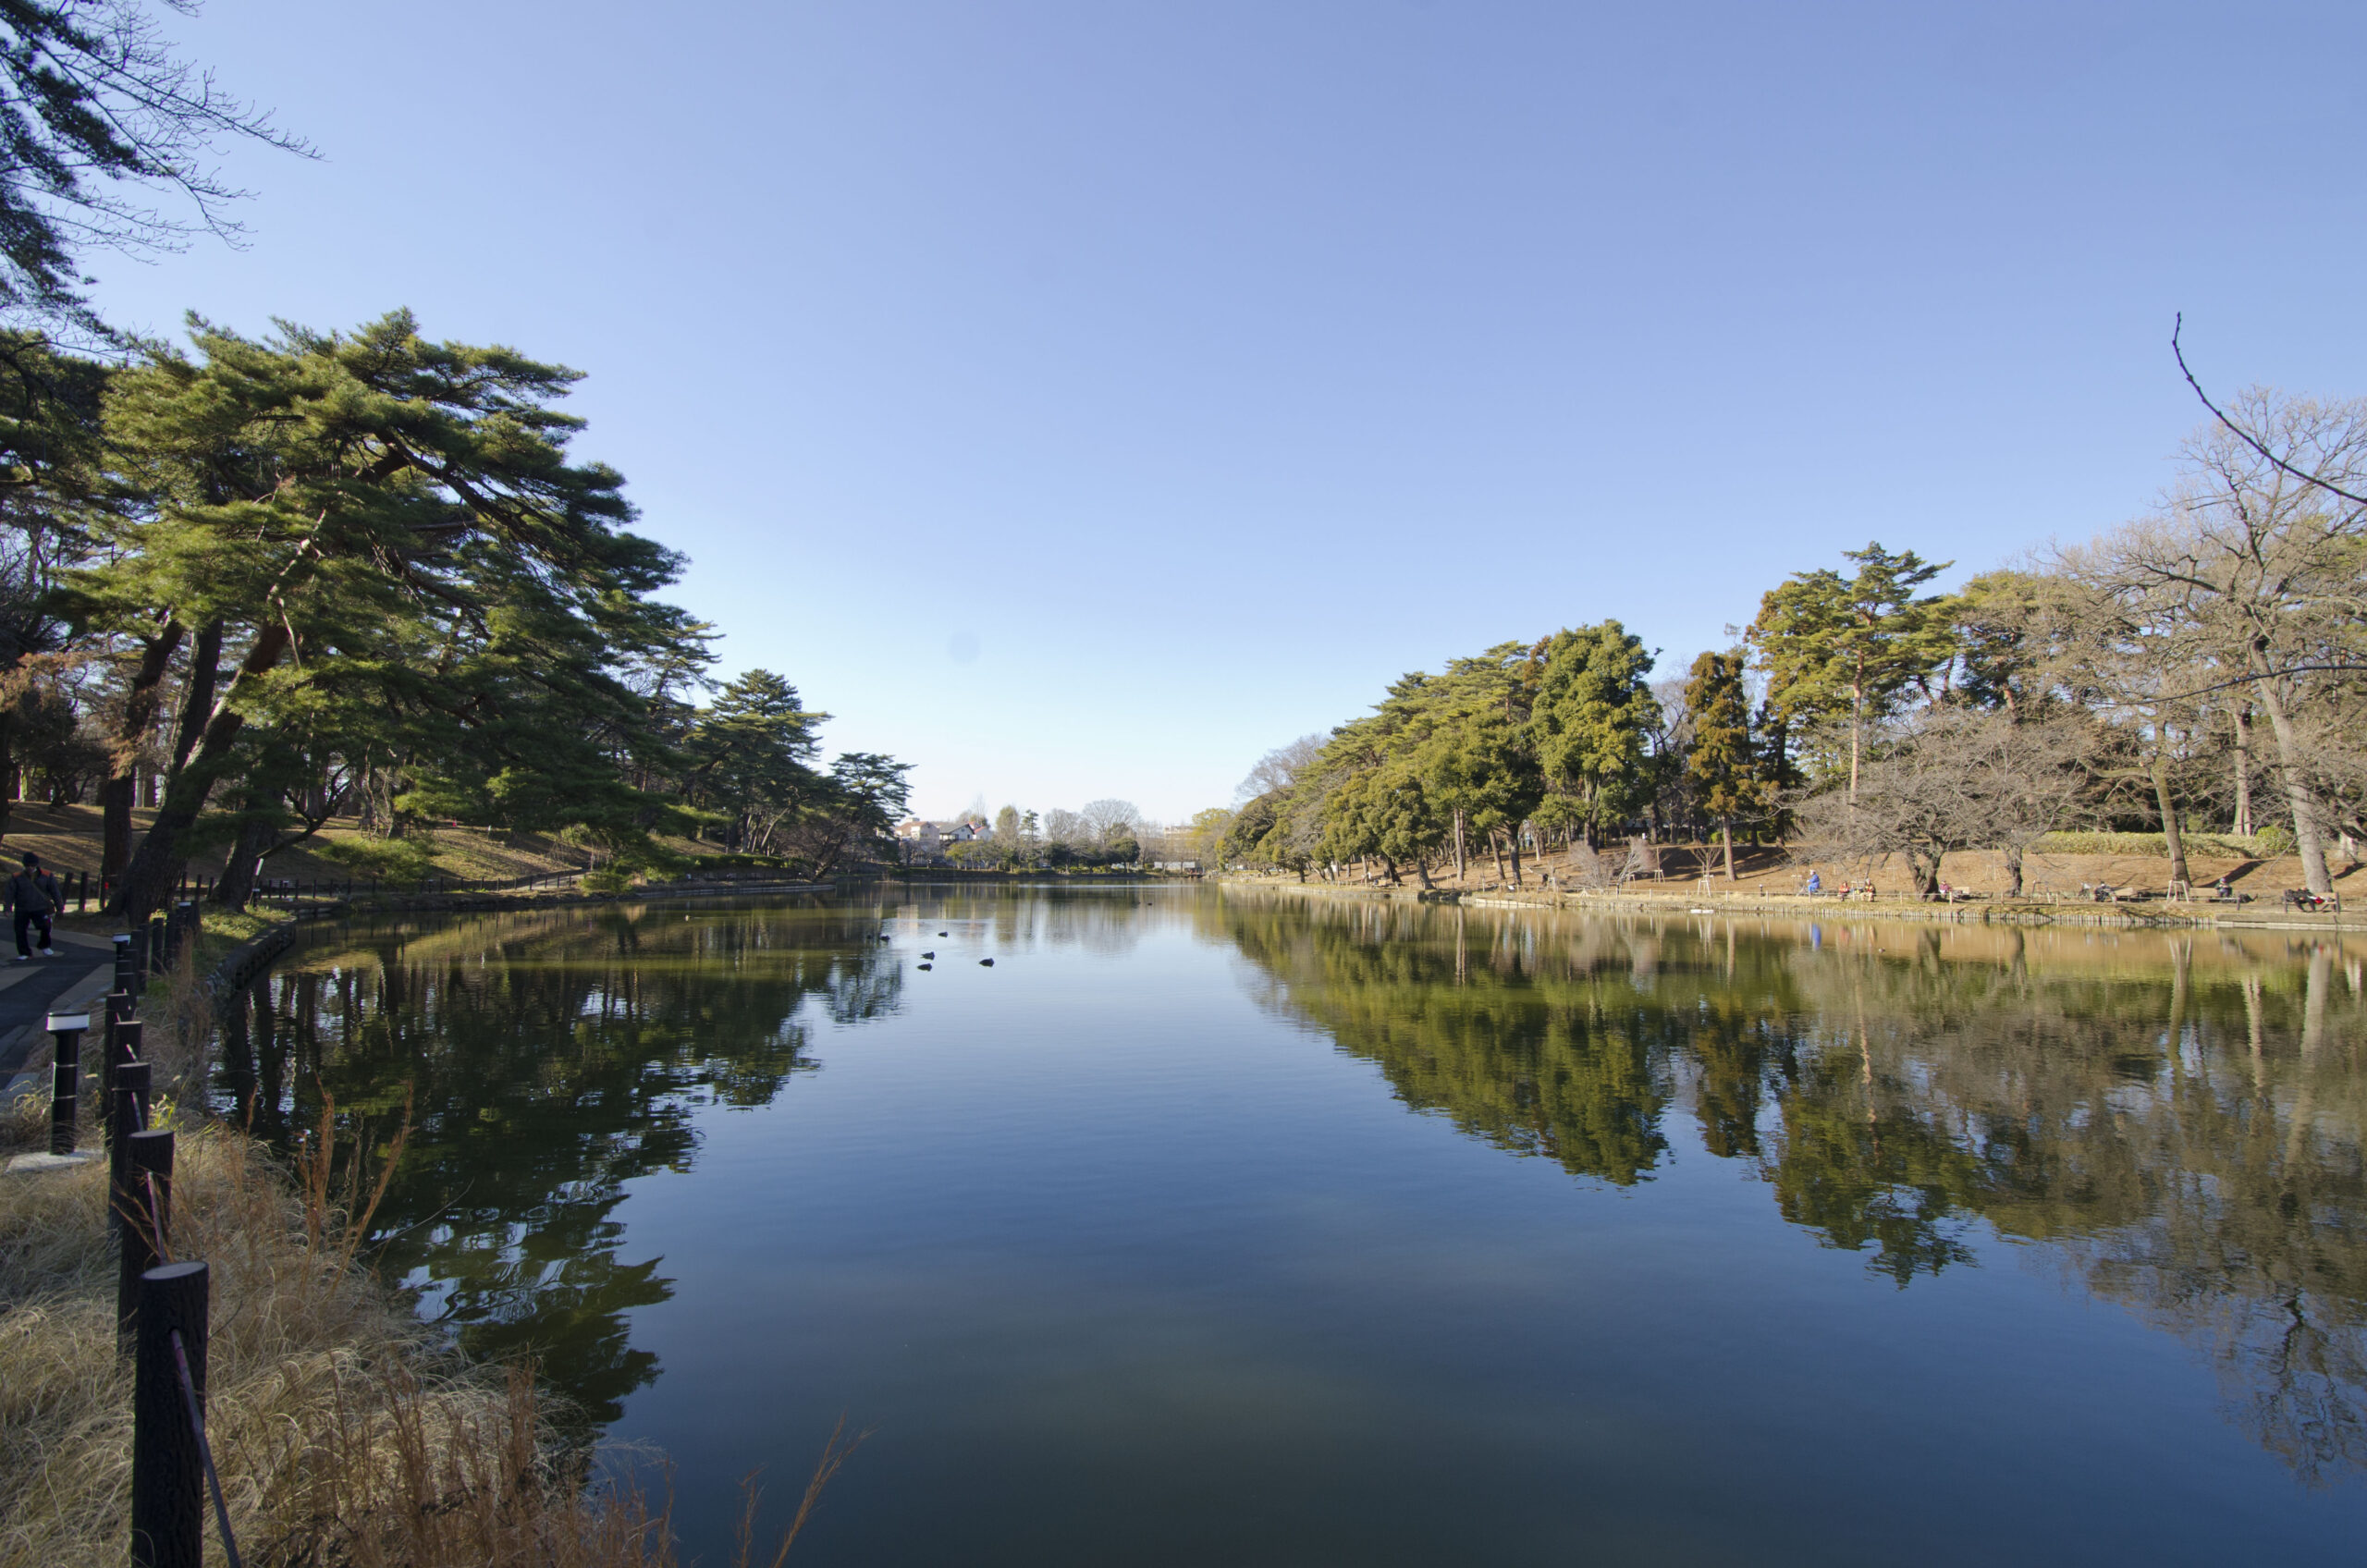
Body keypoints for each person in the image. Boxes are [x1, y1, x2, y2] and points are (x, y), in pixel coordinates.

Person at [6, 851, 59, 961]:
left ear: (37, 865)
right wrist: (8, 908)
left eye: (32, 865)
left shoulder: (47, 875)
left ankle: (44, 945)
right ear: (24, 865)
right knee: (20, 931)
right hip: (22, 907)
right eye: (27, 865)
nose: (30, 868)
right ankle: (25, 953)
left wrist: (59, 906)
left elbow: (55, 891)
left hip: (40, 907)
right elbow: (10, 893)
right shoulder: (17, 877)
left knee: (45, 926)